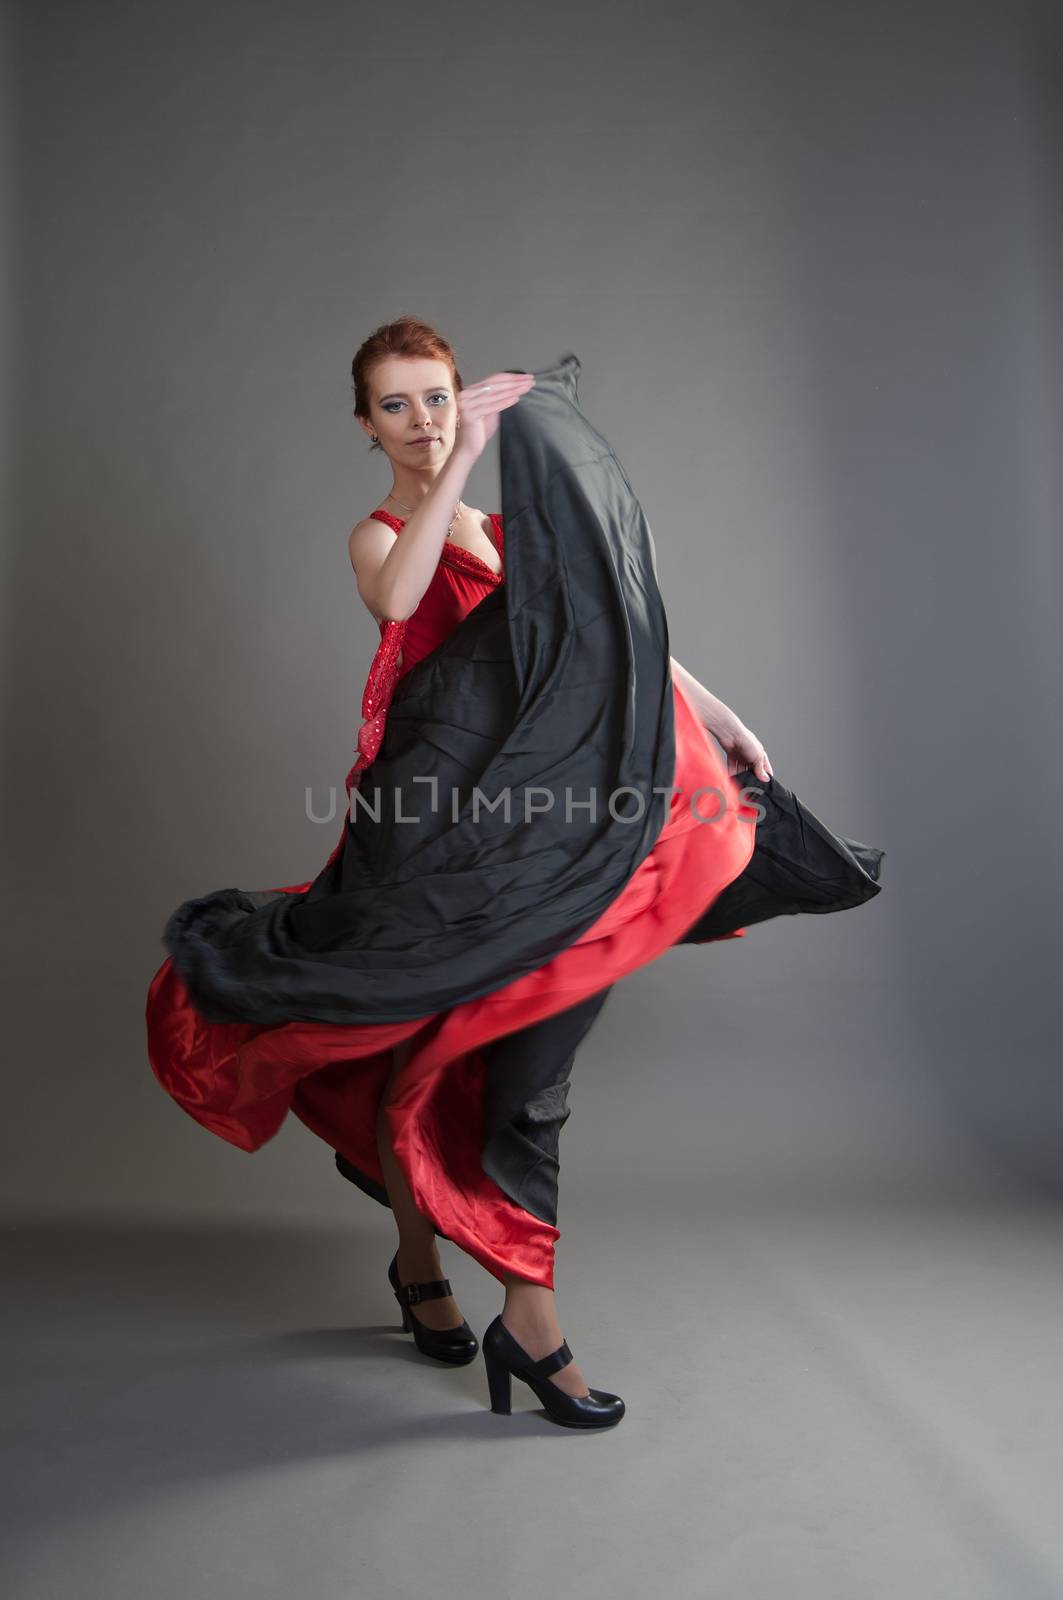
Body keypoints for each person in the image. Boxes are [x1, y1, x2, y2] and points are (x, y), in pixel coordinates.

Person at [147, 318, 884, 1431]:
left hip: (528, 829)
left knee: (507, 1052)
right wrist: (464, 466)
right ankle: (436, 1274)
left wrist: (718, 713)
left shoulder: (500, 527)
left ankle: (500, 1304)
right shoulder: (383, 529)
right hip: (426, 829)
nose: (424, 420)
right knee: (409, 1036)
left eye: (438, 397)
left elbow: (608, 633)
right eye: (396, 405)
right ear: (365, 424)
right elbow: (398, 601)